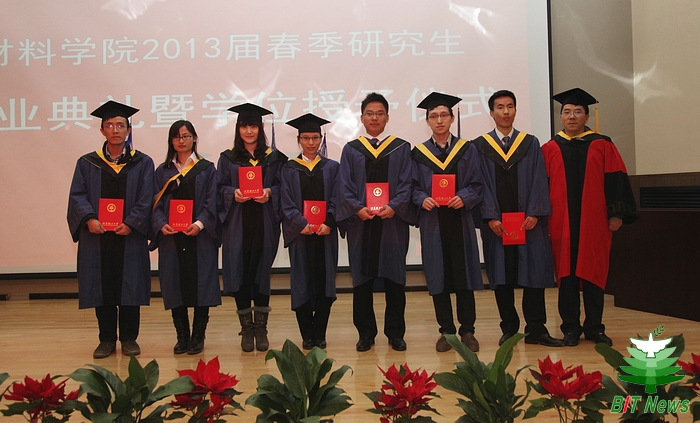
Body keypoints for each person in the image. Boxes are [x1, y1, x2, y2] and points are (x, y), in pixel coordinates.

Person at [542, 88, 638, 347]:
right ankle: (570, 328)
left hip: (595, 221)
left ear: (587, 116)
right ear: (560, 117)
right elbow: (540, 187)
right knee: (567, 275)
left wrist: (616, 214)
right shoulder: (550, 148)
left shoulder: (603, 145)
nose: (572, 116)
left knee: (594, 273)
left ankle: (595, 327)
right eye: (567, 112)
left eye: (577, 112)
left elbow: (616, 180)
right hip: (561, 222)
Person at [472, 90, 563, 348]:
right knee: (502, 276)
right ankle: (509, 329)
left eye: (510, 106)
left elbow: (539, 179)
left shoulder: (530, 143)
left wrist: (535, 212)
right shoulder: (479, 146)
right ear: (491, 113)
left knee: (534, 274)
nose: (505, 111)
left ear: (515, 110)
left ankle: (536, 329)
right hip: (497, 225)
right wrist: (490, 216)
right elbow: (479, 183)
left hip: (528, 223)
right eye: (500, 107)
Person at [67, 100, 154, 359]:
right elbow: (77, 195)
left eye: (120, 125)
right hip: (98, 236)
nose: (115, 130)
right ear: (102, 130)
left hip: (130, 236)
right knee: (101, 286)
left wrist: (132, 223)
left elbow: (147, 197)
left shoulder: (143, 162)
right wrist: (89, 219)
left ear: (128, 130)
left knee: (130, 286)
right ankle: (106, 340)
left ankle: (129, 338)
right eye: (110, 125)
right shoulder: (87, 163)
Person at [337, 92, 416, 352]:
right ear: (362, 118)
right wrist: (357, 209)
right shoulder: (351, 150)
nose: (374, 118)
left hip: (392, 224)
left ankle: (395, 333)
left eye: (380, 113)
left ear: (387, 118)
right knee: (362, 281)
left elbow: (407, 183)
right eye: (369, 113)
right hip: (362, 224)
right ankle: (366, 334)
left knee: (395, 281)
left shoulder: (401, 148)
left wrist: (394, 207)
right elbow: (344, 186)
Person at [411, 92, 484, 352]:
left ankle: (468, 331)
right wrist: (422, 199)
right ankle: (447, 331)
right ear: (427, 121)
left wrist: (464, 197)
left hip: (460, 220)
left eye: (444, 115)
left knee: (464, 277)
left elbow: (477, 184)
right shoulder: (418, 153)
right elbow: (411, 187)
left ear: (452, 118)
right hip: (434, 222)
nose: (439, 120)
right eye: (434, 116)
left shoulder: (467, 149)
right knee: (438, 277)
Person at [217, 103, 287, 352]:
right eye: (244, 126)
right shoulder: (228, 158)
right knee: (241, 273)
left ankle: (261, 328)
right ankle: (247, 329)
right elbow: (218, 188)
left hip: (264, 223)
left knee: (261, 274)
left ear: (261, 127)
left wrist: (269, 192)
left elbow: (285, 187)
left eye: (253, 126)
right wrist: (231, 193)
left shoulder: (274, 158)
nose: (249, 131)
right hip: (237, 224)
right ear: (238, 129)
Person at [151, 120, 221, 355]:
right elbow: (154, 203)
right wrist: (161, 224)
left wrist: (200, 223)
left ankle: (198, 336)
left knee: (202, 285)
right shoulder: (162, 171)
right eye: (177, 137)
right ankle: (182, 336)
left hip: (200, 237)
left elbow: (212, 201)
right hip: (171, 238)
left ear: (194, 138)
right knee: (174, 284)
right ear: (171, 141)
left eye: (186, 136)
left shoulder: (207, 169)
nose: (181, 140)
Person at [280, 113, 339, 350]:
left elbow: (338, 197)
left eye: (315, 137)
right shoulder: (288, 168)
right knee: (302, 282)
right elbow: (285, 201)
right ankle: (307, 333)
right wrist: (299, 222)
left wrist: (330, 222)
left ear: (321, 139)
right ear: (299, 140)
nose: (311, 142)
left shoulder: (332, 168)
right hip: (301, 235)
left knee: (325, 282)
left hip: (325, 234)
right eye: (306, 138)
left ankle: (320, 333)